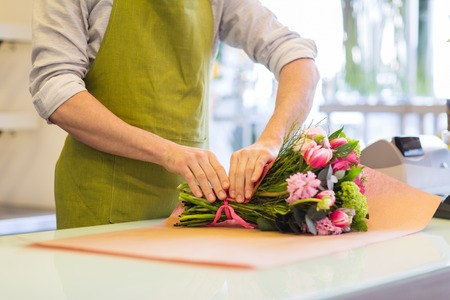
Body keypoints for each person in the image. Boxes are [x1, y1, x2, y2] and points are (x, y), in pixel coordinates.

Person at [29, 0, 319, 229]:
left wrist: (270, 140)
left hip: (192, 206)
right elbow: (56, 90)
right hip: (100, 200)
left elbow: (297, 58)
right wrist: (167, 152)